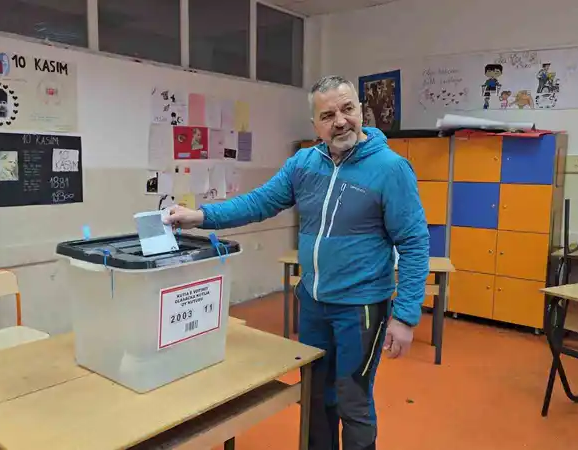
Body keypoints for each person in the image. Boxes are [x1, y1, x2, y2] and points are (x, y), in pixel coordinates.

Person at [164, 75, 430, 450]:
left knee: (352, 399)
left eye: (348, 109)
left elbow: (415, 243)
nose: (340, 121)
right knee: (316, 396)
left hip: (361, 308)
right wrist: (201, 216)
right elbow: (258, 203)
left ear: (360, 110)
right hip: (314, 304)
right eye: (328, 115)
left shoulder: (391, 169)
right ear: (315, 125)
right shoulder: (304, 164)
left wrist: (405, 316)